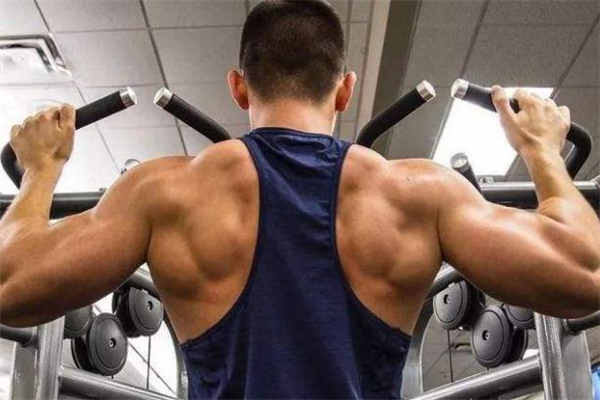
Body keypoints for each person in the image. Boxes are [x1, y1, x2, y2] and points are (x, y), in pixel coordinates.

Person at [0, 0, 598, 398]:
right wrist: (540, 149)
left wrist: (41, 170)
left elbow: (10, 286)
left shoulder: (165, 192)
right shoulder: (418, 193)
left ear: (238, 87)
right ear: (345, 90)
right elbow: (586, 272)